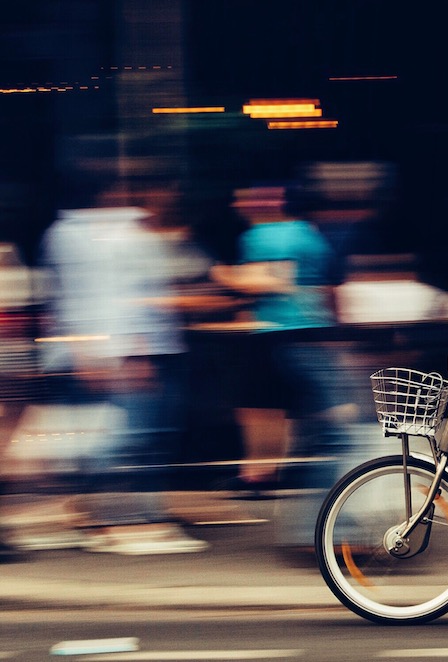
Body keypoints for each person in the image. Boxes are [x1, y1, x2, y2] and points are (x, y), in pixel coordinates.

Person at [38, 190, 207, 555]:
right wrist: (119, 350)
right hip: (123, 350)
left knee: (144, 435)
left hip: (144, 347)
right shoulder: (85, 233)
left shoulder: (120, 230)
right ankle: (116, 521)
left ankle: (136, 516)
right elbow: (94, 296)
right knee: (125, 437)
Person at [210, 184, 363, 557]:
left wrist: (221, 275)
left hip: (282, 339)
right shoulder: (310, 234)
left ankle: (316, 527)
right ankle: (322, 528)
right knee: (332, 431)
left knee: (332, 434)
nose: (237, 204)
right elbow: (327, 291)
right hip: (310, 338)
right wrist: (337, 334)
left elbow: (269, 280)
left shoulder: (264, 235)